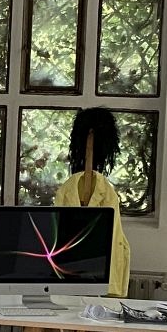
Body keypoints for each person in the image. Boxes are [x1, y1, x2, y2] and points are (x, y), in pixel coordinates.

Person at [53, 107, 131, 297]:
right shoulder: (69, 190)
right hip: (68, 265)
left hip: (100, 269)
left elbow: (113, 235)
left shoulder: (106, 192)